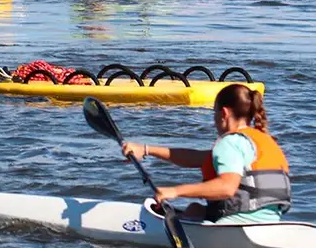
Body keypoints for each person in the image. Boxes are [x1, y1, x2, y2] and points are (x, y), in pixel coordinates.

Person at [120, 84, 292, 224]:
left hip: (237, 225)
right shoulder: (259, 140)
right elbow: (196, 158)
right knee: (195, 209)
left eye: (214, 113)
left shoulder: (229, 143)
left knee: (191, 211)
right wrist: (146, 149)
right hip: (270, 223)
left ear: (223, 113)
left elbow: (227, 187)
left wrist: (175, 191)